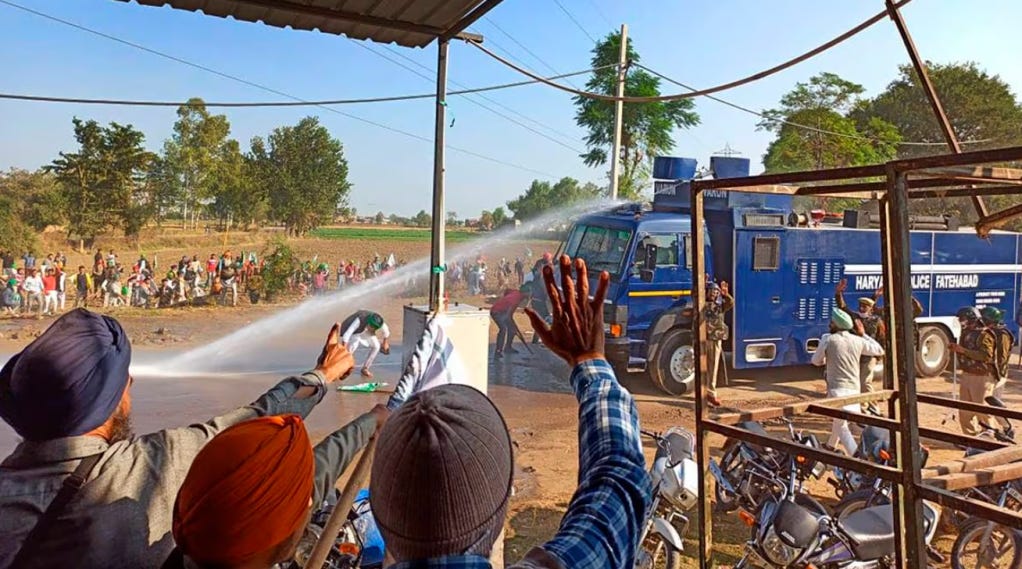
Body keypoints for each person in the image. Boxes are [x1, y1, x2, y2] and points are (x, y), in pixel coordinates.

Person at [0, 311, 357, 569]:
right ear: (107, 399)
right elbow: (254, 420)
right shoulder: (147, 466)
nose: (131, 384)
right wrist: (323, 374)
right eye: (124, 379)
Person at [369, 256, 650, 568]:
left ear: (377, 512)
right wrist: (589, 360)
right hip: (501, 317)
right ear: (501, 516)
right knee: (505, 331)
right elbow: (618, 478)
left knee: (506, 332)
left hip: (501, 316)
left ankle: (504, 346)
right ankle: (504, 346)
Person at [161, 407, 389, 569]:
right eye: (302, 501)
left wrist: (369, 424)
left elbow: (313, 477)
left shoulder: (200, 540)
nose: (310, 501)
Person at [811, 308, 885, 456]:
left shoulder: (828, 339)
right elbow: (879, 350)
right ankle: (831, 446)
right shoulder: (857, 340)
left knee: (842, 427)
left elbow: (815, 361)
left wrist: (826, 359)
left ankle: (855, 457)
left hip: (836, 390)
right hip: (854, 391)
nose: (830, 324)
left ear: (836, 324)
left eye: (832, 322)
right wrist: (863, 334)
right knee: (840, 421)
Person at [950, 306, 995, 435]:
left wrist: (963, 351)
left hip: (981, 376)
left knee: (982, 410)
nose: (961, 322)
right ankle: (970, 437)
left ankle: (989, 436)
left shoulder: (984, 335)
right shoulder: (966, 333)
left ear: (972, 318)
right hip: (967, 374)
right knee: (965, 410)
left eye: (963, 319)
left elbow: (986, 356)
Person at [702, 280, 734, 407]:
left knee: (713, 366)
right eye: (711, 291)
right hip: (702, 338)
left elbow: (731, 303)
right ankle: (702, 392)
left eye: (716, 292)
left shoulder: (720, 306)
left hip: (715, 339)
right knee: (700, 366)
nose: (713, 294)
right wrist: (701, 285)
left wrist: (726, 295)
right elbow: (694, 295)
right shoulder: (702, 304)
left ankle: (711, 393)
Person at [340, 310, 391, 378]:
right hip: (354, 331)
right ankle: (342, 367)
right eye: (372, 328)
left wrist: (385, 343)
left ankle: (365, 368)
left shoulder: (379, 322)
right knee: (353, 346)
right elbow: (347, 334)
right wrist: (343, 351)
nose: (374, 330)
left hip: (365, 330)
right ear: (369, 324)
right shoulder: (359, 320)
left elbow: (386, 332)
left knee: (377, 346)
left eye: (375, 328)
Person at [982, 306, 1015, 401]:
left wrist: (995, 373)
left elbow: (1002, 358)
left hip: (997, 373)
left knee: (993, 402)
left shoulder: (1002, 335)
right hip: (988, 372)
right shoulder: (989, 332)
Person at [490, 286, 529, 359]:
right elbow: (508, 315)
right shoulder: (516, 299)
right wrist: (511, 324)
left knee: (512, 329)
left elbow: (507, 291)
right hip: (497, 312)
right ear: (525, 293)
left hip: (501, 311)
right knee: (503, 329)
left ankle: (508, 347)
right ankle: (498, 351)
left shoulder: (516, 292)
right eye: (529, 293)